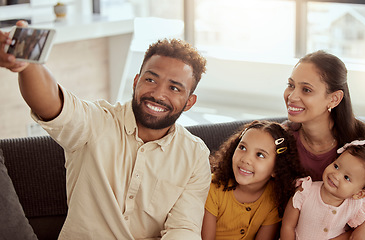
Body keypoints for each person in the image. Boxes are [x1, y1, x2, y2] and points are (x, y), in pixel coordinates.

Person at [0, 21, 211, 239]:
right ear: (136, 82)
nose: (158, 94)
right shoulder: (97, 122)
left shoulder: (195, 155)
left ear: (189, 102)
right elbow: (52, 103)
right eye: (151, 79)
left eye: (174, 88)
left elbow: (183, 229)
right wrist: (25, 63)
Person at [283, 50, 365, 239]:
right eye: (290, 85)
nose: (292, 96)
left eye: (306, 89)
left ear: (334, 99)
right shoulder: (282, 140)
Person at [201, 120, 305, 240]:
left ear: (277, 168)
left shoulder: (275, 198)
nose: (246, 159)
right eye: (242, 147)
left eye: (260, 155)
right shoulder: (213, 187)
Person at [281, 140, 365, 240]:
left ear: (359, 194)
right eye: (336, 166)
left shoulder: (354, 204)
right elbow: (288, 226)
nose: (336, 175)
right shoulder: (305, 191)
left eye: (346, 178)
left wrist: (361, 231)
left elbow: (362, 221)